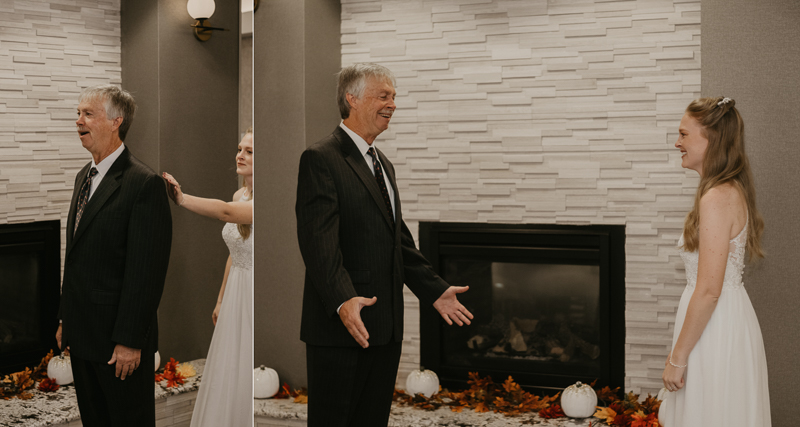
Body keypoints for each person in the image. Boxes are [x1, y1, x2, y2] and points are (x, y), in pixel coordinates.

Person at [295, 63, 474, 426]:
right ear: (352, 98)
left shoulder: (383, 164)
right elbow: (318, 244)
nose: (392, 104)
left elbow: (398, 242)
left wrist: (434, 290)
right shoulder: (321, 158)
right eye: (383, 96)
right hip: (342, 328)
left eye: (394, 97)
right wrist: (344, 301)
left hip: (385, 328)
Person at [56, 84, 172, 427]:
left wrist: (130, 341)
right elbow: (77, 257)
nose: (78, 121)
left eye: (88, 114)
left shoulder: (144, 184)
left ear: (115, 121)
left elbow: (146, 272)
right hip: (83, 335)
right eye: (78, 113)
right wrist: (66, 317)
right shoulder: (83, 177)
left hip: (118, 344)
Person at [659, 97, 770, 426]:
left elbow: (709, 289)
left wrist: (677, 360)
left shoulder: (718, 197)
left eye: (684, 134)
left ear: (712, 140)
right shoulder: (725, 191)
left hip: (715, 328)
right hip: (717, 322)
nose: (677, 142)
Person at [161, 128, 253, 427]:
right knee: (227, 366)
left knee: (244, 364)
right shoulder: (241, 194)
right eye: (240, 148)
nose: (240, 155)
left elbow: (226, 213)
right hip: (235, 290)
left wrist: (182, 198)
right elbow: (235, 252)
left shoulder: (267, 198)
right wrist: (220, 297)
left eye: (249, 151)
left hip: (254, 293)